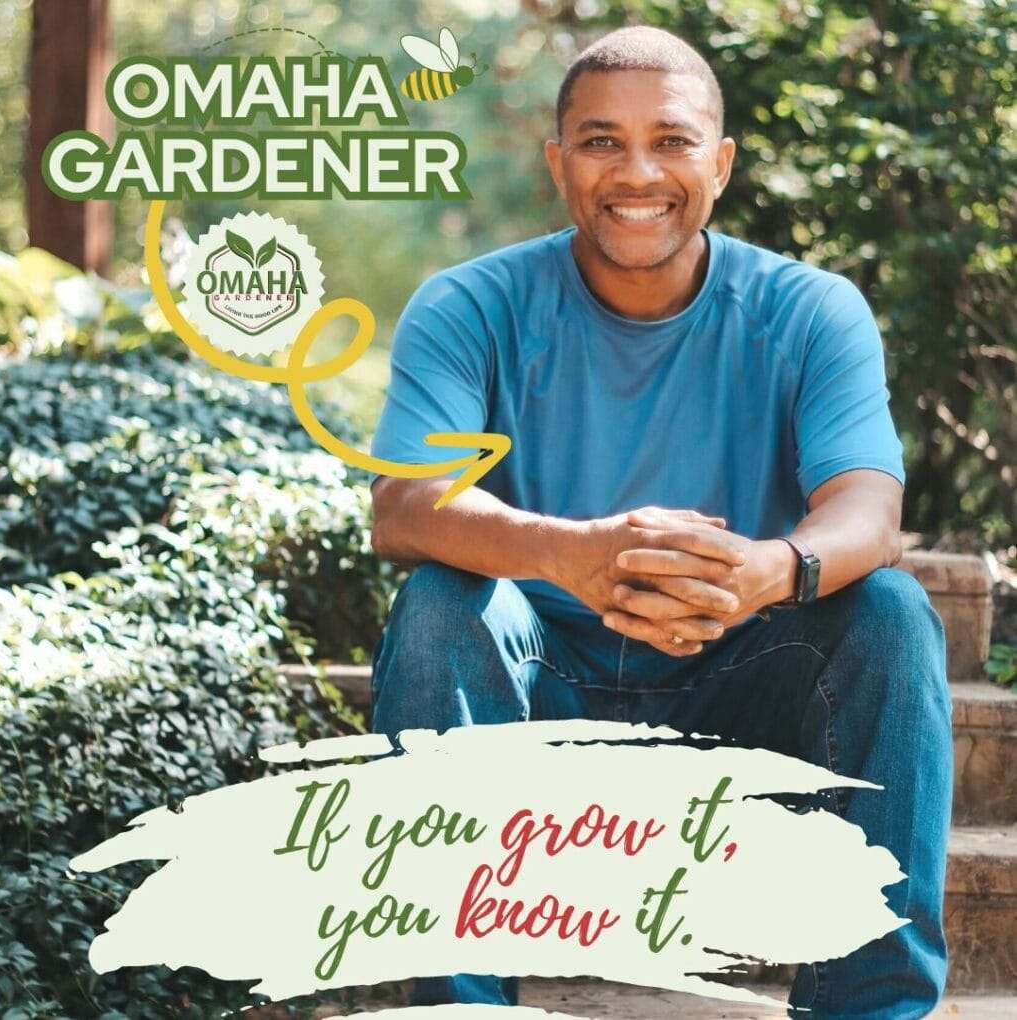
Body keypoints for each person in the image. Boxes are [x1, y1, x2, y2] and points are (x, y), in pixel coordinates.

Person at [367, 25, 952, 1020]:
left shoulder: (811, 311)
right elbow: (407, 504)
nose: (637, 172)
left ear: (720, 163)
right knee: (436, 608)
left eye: (672, 141)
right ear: (559, 165)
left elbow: (870, 508)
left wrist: (772, 569)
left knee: (890, 611)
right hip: (542, 690)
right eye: (601, 142)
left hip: (744, 688)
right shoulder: (469, 304)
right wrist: (573, 554)